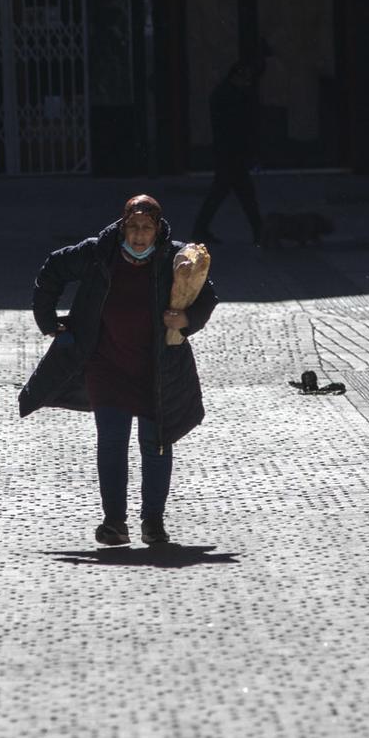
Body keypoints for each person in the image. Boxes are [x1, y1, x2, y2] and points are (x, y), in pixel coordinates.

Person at [19, 195, 220, 546]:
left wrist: (188, 319)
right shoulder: (99, 252)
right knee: (111, 442)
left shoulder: (175, 258)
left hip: (156, 367)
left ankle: (153, 522)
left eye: (147, 228)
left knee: (156, 444)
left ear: (158, 230)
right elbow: (53, 269)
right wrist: (49, 321)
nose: (139, 236)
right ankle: (114, 522)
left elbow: (207, 296)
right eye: (133, 227)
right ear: (123, 226)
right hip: (106, 364)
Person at [191, 55, 267, 246]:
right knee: (242, 195)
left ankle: (200, 229)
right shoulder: (230, 97)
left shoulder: (226, 94)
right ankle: (259, 231)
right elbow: (237, 127)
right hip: (232, 154)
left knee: (227, 193)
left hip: (229, 154)